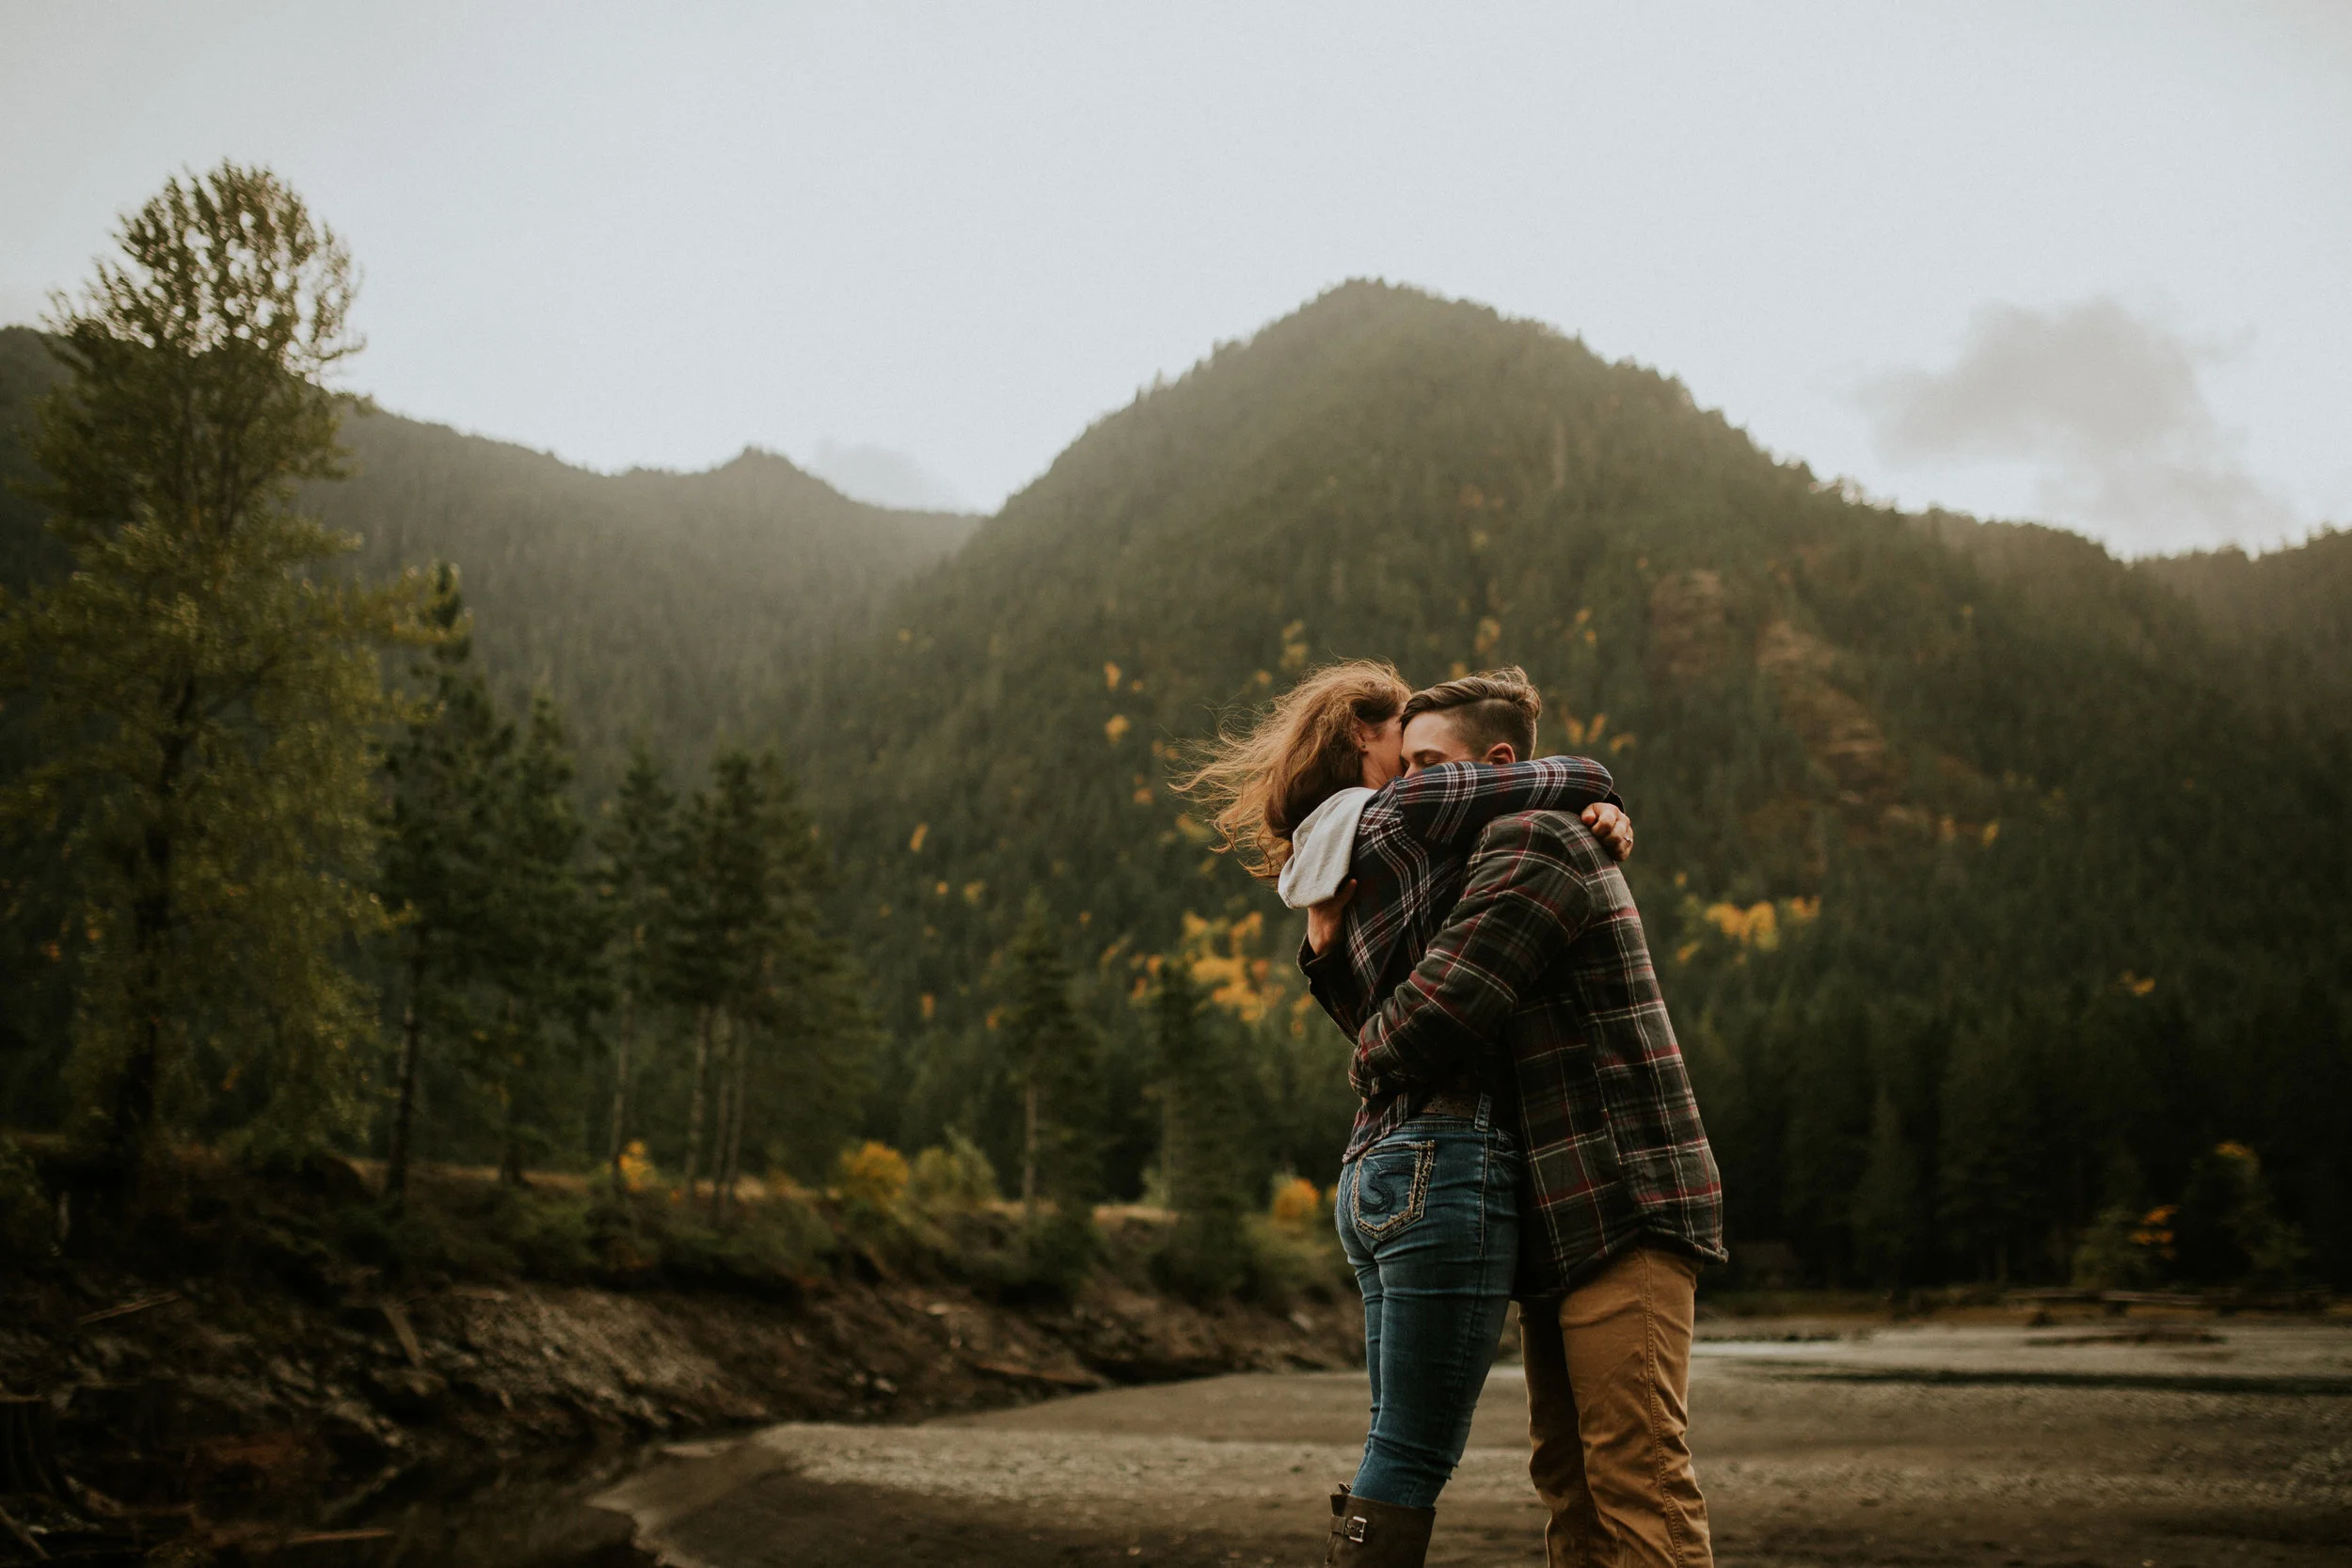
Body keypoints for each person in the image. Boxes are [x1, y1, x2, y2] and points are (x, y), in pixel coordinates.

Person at [1178, 660, 1635, 1568]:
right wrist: (1605, 802)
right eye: (1406, 744)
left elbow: (1365, 1019)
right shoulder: (1403, 813)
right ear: (1362, 733)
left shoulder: (1332, 865)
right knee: (1412, 1449)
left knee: (1394, 1434)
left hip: (1374, 1168)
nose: (1424, 767)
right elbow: (1575, 774)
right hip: (1447, 1155)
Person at [1347, 670, 1725, 1568]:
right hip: (1563, 1213)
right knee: (1569, 1478)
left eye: (1430, 767)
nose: (1411, 792)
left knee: (1638, 1477)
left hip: (1622, 1197)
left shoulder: (1535, 841)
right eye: (1403, 771)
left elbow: (1431, 1015)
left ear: (1499, 764)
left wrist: (1365, 1055)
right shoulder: (1498, 849)